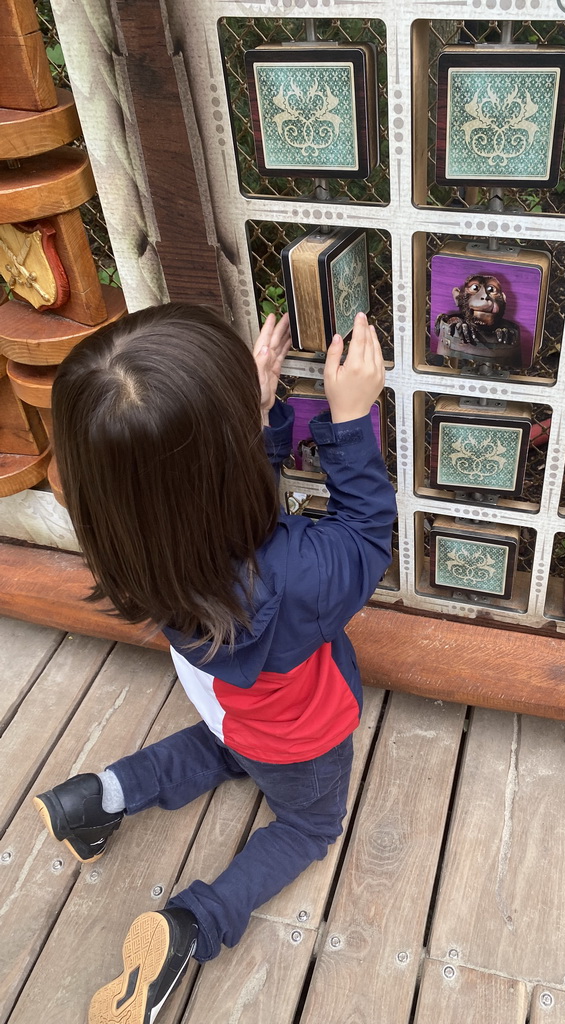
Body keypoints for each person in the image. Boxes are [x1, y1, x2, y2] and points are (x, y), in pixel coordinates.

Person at [32, 303, 396, 1024]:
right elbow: (364, 537)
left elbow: (195, 498)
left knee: (226, 745)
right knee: (308, 828)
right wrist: (350, 420)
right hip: (298, 735)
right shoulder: (295, 576)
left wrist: (254, 413)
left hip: (222, 700)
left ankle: (98, 797)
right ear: (227, 455)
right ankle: (191, 926)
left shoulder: (135, 547)